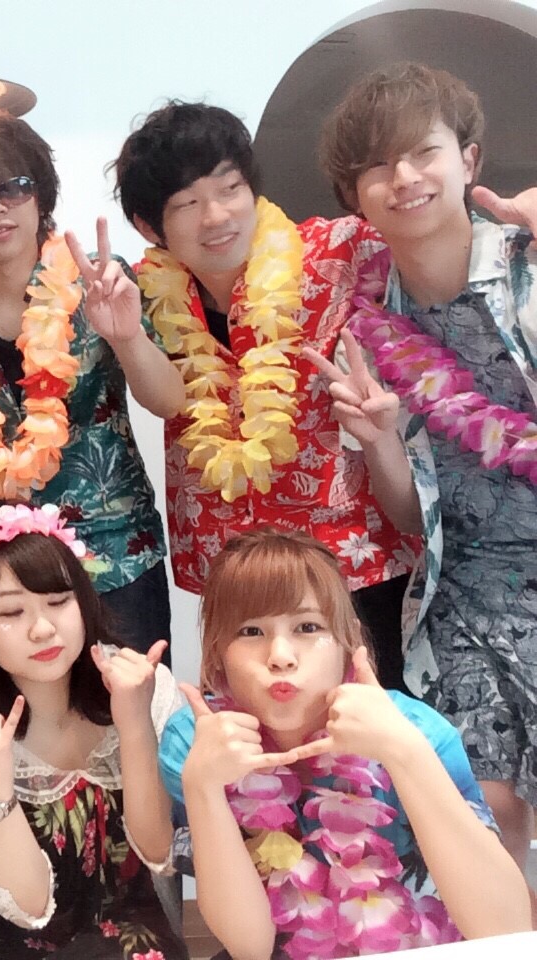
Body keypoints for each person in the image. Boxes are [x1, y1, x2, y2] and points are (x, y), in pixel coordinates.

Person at [311, 62, 537, 898]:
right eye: (378, 164)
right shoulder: (367, 327)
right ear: (355, 196)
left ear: (468, 160)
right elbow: (412, 517)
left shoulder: (529, 264)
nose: (403, 177)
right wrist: (379, 442)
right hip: (467, 589)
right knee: (487, 807)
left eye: (423, 152)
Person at [110, 102, 420, 690]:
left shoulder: (340, 252)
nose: (217, 216)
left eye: (230, 188)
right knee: (252, 736)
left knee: (377, 727)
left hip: (353, 559)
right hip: (234, 571)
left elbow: (434, 233)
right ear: (150, 228)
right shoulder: (142, 296)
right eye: (187, 204)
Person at [159, 528, 529, 959]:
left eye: (308, 627)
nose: (281, 656)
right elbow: (250, 947)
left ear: (347, 641)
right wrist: (202, 786)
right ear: (216, 652)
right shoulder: (197, 743)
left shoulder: (418, 731)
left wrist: (403, 752)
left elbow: (506, 927)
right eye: (251, 631)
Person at [0, 116, 184, 657]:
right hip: (12, 565)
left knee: (135, 699)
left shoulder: (99, 282)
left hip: (116, 548)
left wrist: (128, 336)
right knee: (32, 709)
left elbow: (169, 401)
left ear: (41, 193)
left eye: (13, 187)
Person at [0, 503, 187, 959]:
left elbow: (159, 851)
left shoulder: (145, 686)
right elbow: (27, 905)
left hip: (129, 927)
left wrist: (136, 726)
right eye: (12, 612)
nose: (42, 629)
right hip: (11, 933)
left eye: (59, 602)